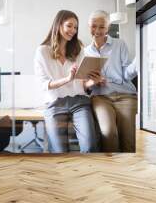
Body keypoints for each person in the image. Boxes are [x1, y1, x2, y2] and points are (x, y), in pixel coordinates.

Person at [34, 10, 102, 153]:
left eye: (75, 27)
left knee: (90, 147)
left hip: (79, 102)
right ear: (58, 25)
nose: (73, 30)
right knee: (59, 151)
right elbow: (43, 84)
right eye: (69, 26)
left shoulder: (79, 49)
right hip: (55, 104)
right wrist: (67, 79)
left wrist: (91, 83)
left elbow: (81, 84)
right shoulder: (42, 51)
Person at [84, 10, 137, 152]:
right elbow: (84, 86)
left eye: (102, 27)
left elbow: (127, 74)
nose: (97, 30)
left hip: (126, 96)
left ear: (108, 28)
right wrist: (92, 83)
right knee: (109, 133)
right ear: (88, 26)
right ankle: (111, 169)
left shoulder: (120, 45)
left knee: (128, 140)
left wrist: (138, 64)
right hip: (101, 98)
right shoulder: (84, 52)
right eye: (94, 26)